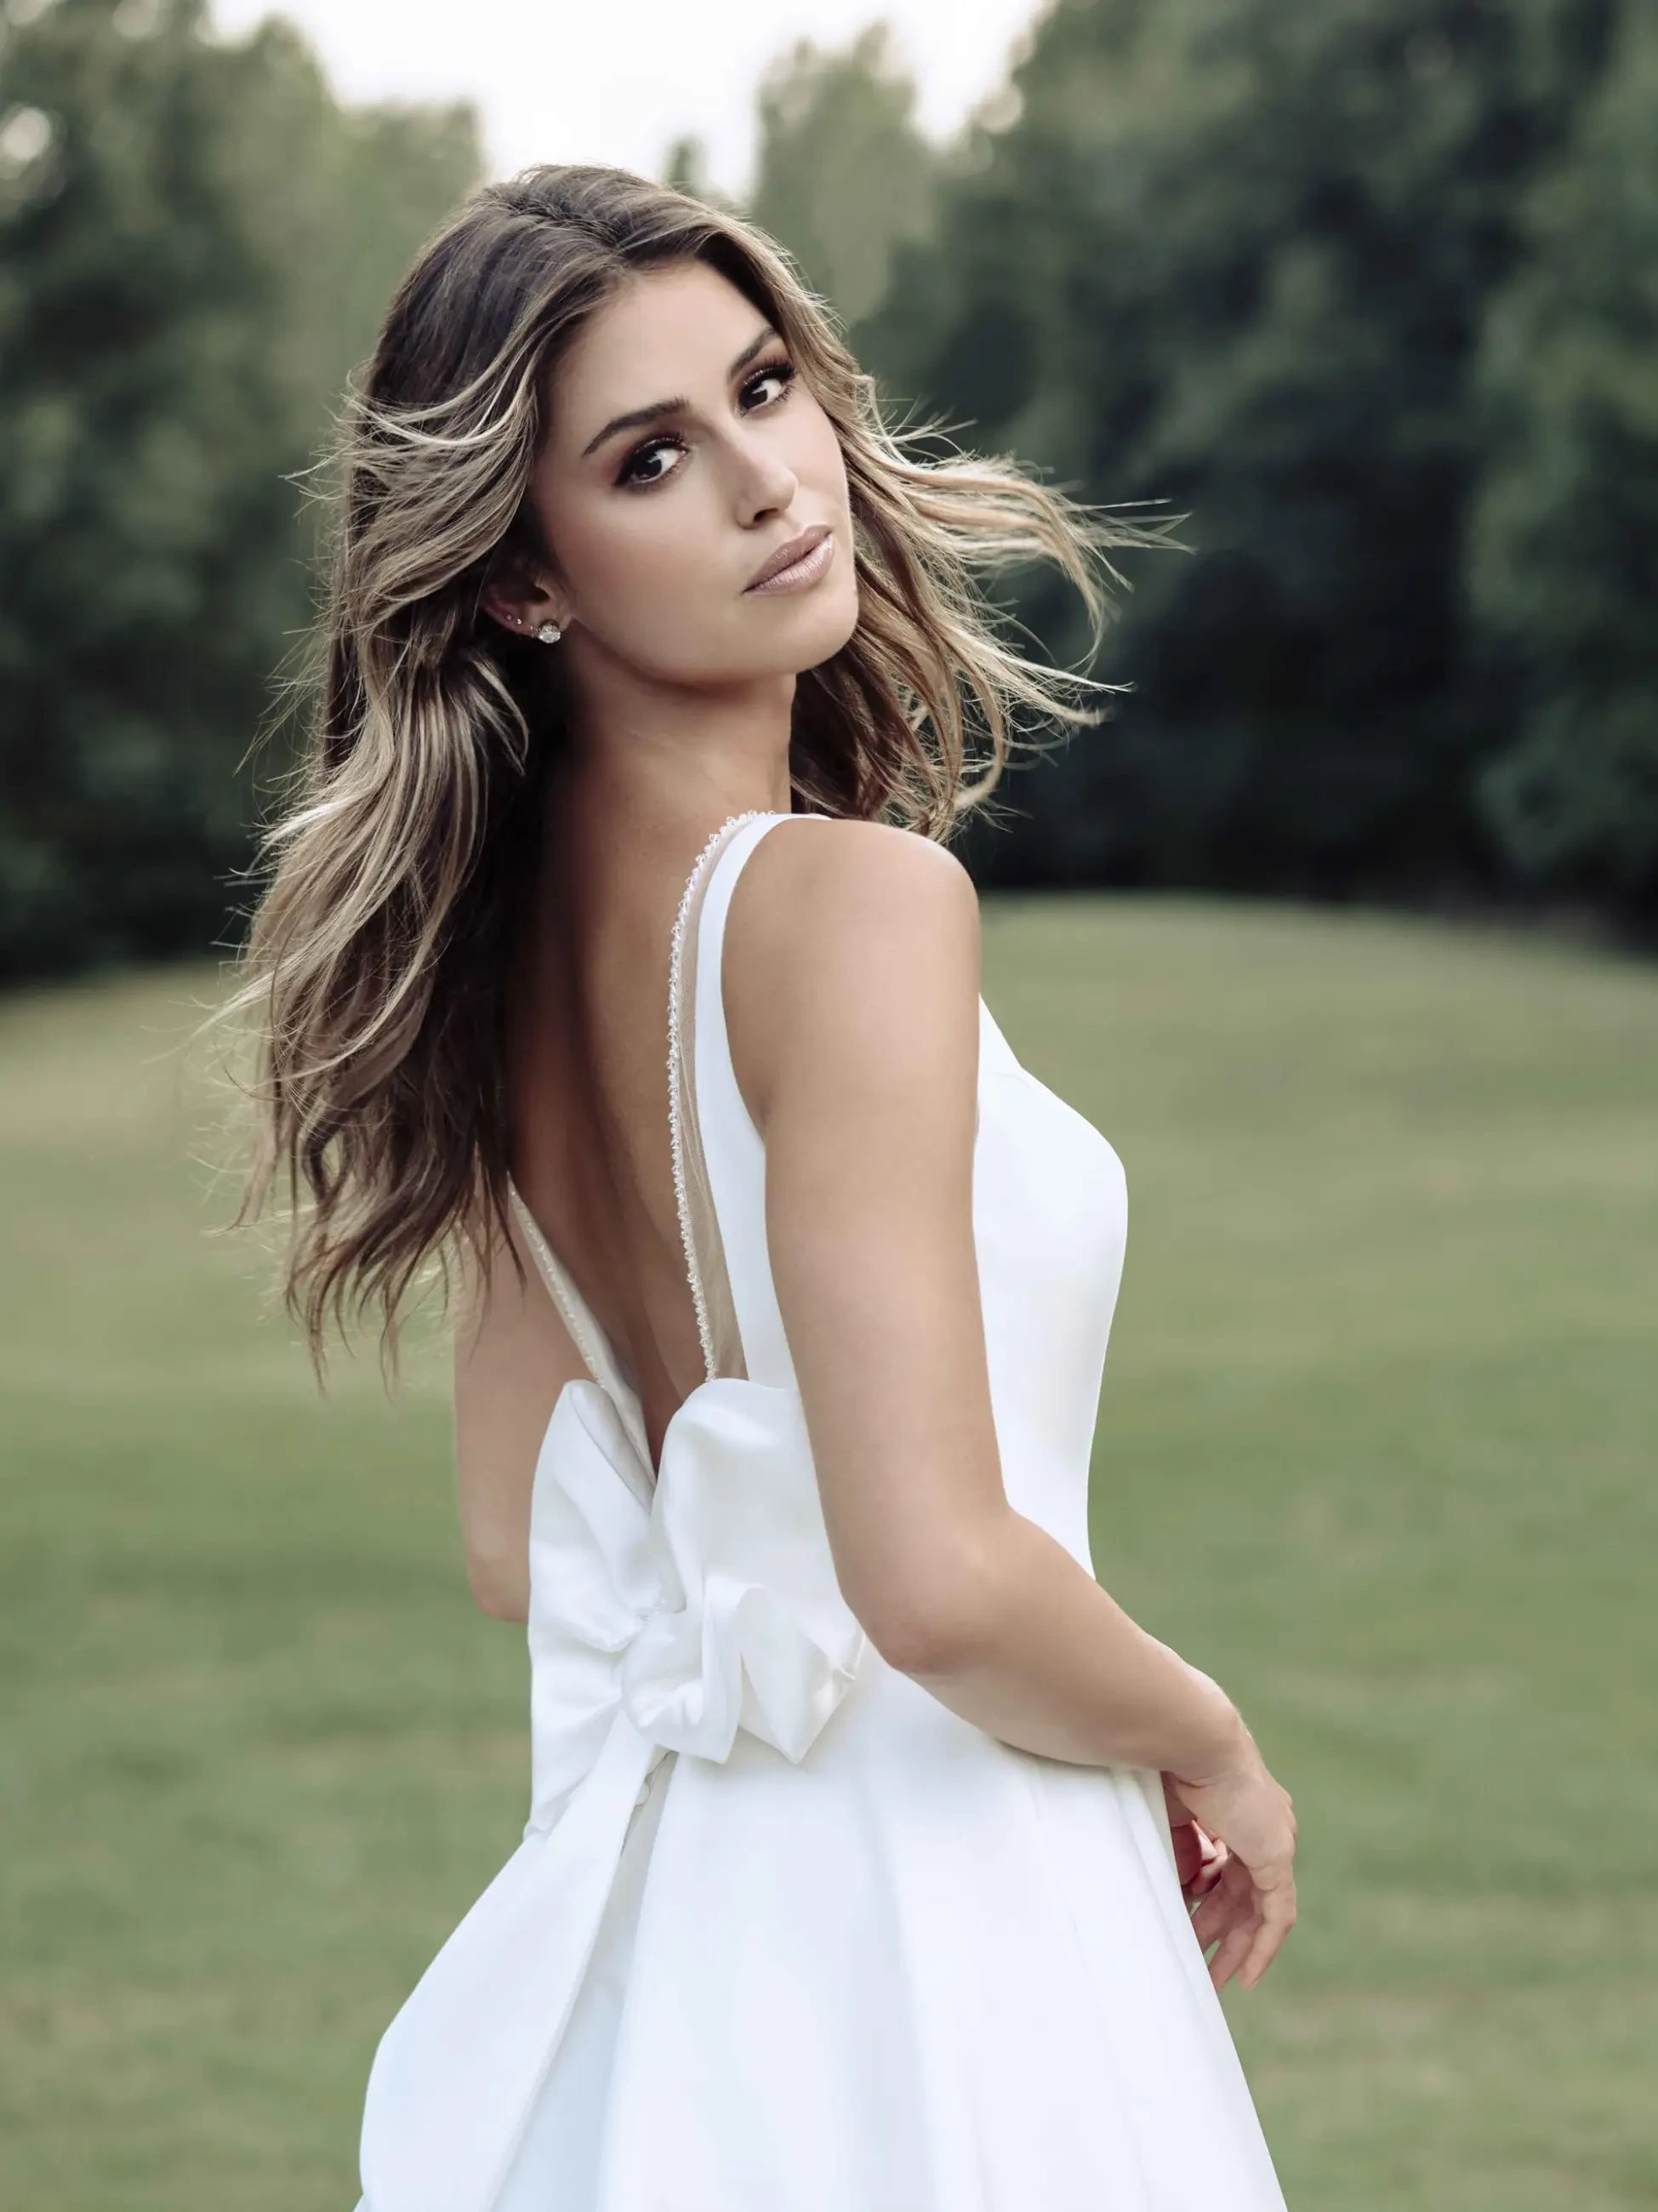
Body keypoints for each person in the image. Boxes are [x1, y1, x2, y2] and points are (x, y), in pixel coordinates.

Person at [231, 164, 1296, 2212]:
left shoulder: (497, 983)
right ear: (524, 581)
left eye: (763, 384)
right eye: (650, 456)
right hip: (959, 1914)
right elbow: (933, 1576)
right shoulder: (852, 908)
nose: (765, 478)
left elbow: (509, 1538)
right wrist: (1206, 1737)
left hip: (694, 1955)